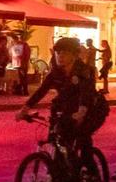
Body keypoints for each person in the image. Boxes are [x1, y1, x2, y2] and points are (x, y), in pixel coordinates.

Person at [18, 36, 108, 168]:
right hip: (69, 108)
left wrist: (81, 112)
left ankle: (91, 169)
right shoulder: (56, 72)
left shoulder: (84, 71)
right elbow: (41, 90)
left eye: (64, 53)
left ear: (74, 55)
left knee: (82, 135)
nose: (60, 56)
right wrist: (25, 108)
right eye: (58, 53)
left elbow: (86, 93)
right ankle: (61, 175)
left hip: (93, 109)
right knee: (57, 136)